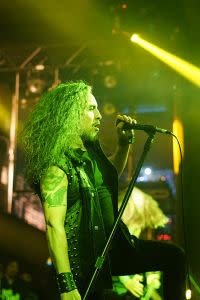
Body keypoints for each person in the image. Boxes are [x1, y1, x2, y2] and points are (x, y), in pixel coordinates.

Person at [20, 81, 186, 300]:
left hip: (116, 248)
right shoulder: (56, 167)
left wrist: (123, 145)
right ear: (70, 115)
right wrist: (67, 285)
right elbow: (53, 225)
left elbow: (106, 181)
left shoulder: (90, 153)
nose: (99, 115)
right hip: (86, 263)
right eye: (91, 108)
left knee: (175, 257)